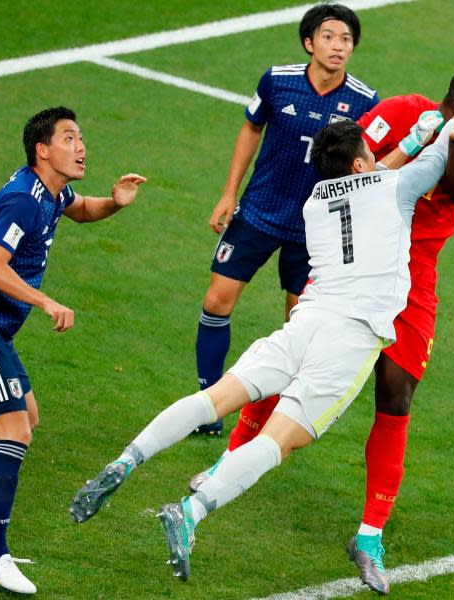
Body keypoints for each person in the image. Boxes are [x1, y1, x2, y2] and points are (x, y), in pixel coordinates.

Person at [69, 65, 454, 586]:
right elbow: (433, 155)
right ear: (360, 161)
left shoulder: (317, 201)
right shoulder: (396, 192)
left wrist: (419, 135)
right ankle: (190, 513)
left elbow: (380, 169)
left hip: (308, 316)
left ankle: (126, 460)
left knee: (218, 395)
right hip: (351, 335)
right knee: (280, 442)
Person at [0, 106, 146, 595]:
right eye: (69, 138)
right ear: (42, 150)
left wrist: (115, 202)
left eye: (81, 137)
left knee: (26, 419)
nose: (81, 146)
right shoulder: (23, 201)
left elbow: (83, 208)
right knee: (14, 431)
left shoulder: (51, 191)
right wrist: (46, 300)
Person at [193, 3, 379, 435]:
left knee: (299, 325)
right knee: (216, 302)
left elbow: (367, 164)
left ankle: (269, 421)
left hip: (316, 232)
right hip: (259, 212)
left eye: (346, 39)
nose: (338, 46)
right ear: (309, 42)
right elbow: (250, 129)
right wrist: (228, 193)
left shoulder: (365, 101)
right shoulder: (277, 81)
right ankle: (208, 405)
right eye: (329, 36)